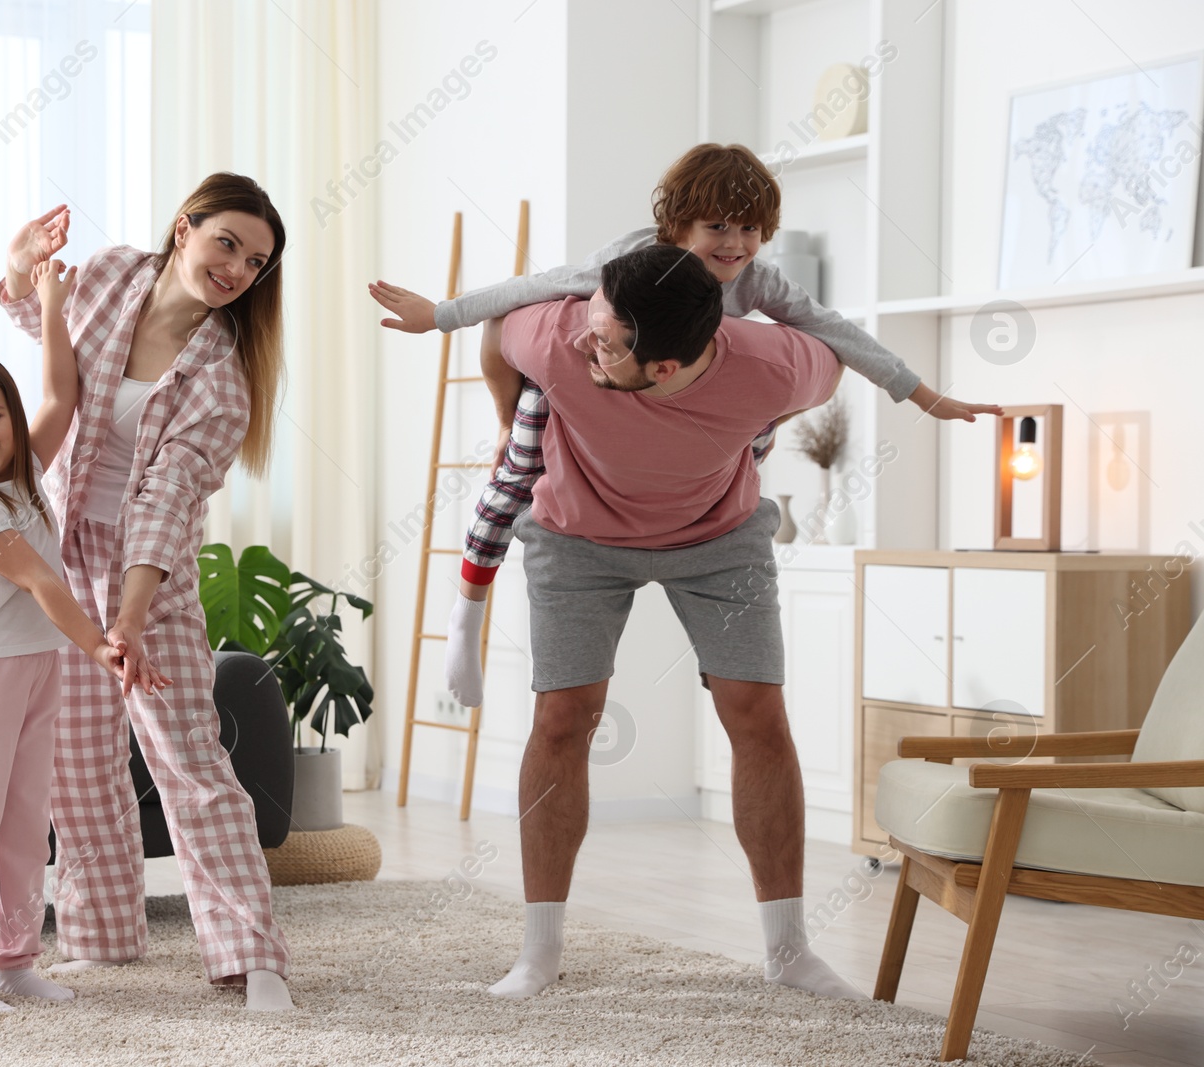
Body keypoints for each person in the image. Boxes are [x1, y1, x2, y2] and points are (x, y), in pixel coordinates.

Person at [368, 142, 1001, 707]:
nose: (735, 243)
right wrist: (445, 321)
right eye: (716, 226)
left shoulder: (754, 279)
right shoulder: (633, 265)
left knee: (752, 426)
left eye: (751, 228)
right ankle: (467, 614)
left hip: (700, 431)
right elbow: (524, 295)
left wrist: (920, 395)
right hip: (585, 388)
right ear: (676, 227)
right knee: (512, 480)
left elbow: (830, 329)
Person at [470, 243, 868, 1000]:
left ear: (660, 367)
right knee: (563, 717)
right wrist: (504, 414)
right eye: (593, 321)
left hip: (717, 539)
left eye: (608, 339)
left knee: (758, 714)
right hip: (578, 535)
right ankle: (538, 953)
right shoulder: (561, 337)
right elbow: (496, 325)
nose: (588, 338)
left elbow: (832, 359)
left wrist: (752, 427)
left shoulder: (770, 366)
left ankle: (788, 951)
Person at [0, 173, 294, 1011]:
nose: (237, 267)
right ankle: (100, 933)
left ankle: (249, 951)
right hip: (56, 552)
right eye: (227, 242)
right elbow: (44, 331)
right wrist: (22, 269)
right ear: (185, 227)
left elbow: (165, 500)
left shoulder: (223, 379)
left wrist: (129, 617)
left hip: (145, 573)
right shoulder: (113, 274)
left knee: (188, 757)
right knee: (75, 753)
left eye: (256, 261)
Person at [0, 349, 142, 1013]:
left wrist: (48, 295)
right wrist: (101, 646)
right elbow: (43, 581)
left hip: (37, 668)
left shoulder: (27, 474)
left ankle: (15, 960)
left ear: (10, 417)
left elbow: (60, 396)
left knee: (22, 830)